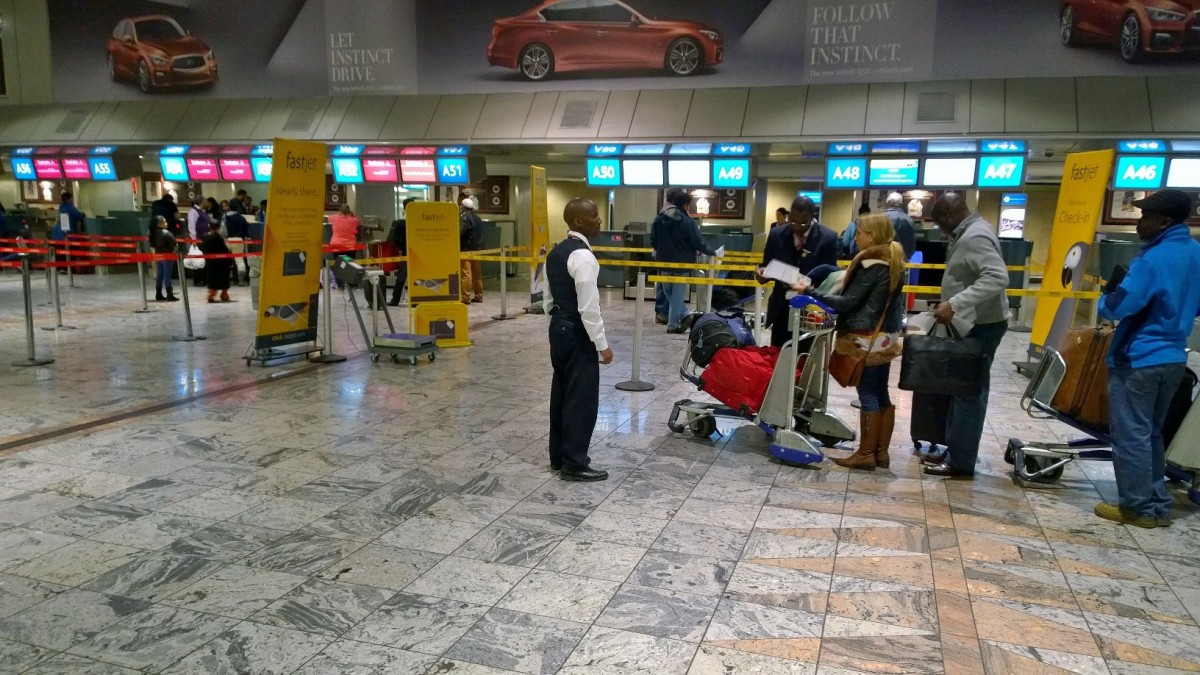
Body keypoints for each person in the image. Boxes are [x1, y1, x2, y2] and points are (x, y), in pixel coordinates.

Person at [1094, 189, 1200, 528]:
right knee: (1151, 433)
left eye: (1146, 217)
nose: (1139, 222)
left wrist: (1105, 300)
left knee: (1130, 435)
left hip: (1139, 357)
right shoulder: (1196, 253)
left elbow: (1121, 306)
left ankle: (1137, 507)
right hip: (1173, 357)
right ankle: (1157, 504)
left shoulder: (1151, 259)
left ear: (1164, 221)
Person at [796, 213, 906, 471]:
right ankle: (880, 452)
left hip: (863, 337)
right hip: (884, 337)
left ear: (873, 235)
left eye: (860, 233)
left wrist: (810, 291)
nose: (855, 238)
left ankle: (866, 453)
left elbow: (848, 302)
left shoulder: (872, 263)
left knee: (867, 392)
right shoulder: (894, 261)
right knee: (880, 391)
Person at [922, 193, 1009, 478]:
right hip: (974, 324)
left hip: (981, 326)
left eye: (938, 222)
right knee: (960, 391)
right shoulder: (971, 231)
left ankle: (961, 462)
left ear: (947, 215)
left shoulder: (975, 236)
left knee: (969, 394)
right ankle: (956, 451)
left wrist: (955, 303)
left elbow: (997, 277)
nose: (939, 229)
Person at [543, 197, 613, 482]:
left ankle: (559, 456)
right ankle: (574, 461)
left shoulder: (557, 251)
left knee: (561, 394)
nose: (599, 219)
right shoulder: (583, 256)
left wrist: (557, 325)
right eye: (595, 214)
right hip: (576, 332)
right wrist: (602, 344)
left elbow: (549, 297)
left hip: (559, 328)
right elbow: (588, 306)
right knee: (581, 399)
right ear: (578, 221)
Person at [756, 195, 840, 347]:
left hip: (812, 311)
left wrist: (805, 284)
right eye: (792, 221)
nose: (796, 226)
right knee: (778, 356)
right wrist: (762, 274)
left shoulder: (828, 238)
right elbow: (766, 265)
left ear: (812, 216)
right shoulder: (776, 234)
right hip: (782, 307)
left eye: (803, 223)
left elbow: (830, 275)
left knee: (806, 359)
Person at [651, 187, 719, 333]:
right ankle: (677, 321)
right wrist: (712, 251)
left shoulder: (659, 218)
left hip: (664, 262)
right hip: (682, 263)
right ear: (685, 205)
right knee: (676, 293)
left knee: (668, 291)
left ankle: (678, 318)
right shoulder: (687, 222)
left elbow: (653, 239)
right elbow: (697, 242)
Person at [387, 198, 416, 306]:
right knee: (410, 278)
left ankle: (395, 300)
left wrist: (402, 247)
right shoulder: (418, 222)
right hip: (413, 253)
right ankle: (415, 299)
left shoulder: (400, 223)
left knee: (401, 278)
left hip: (406, 252)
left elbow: (394, 240)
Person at [199, 221, 235, 303]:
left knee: (212, 282)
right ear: (218, 227)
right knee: (224, 280)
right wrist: (230, 259)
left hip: (210, 263)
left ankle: (211, 296)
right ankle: (224, 295)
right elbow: (224, 250)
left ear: (209, 226)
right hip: (221, 264)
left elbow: (203, 248)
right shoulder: (218, 238)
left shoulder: (205, 237)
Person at [459, 197, 485, 304]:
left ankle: (466, 298)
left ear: (463, 207)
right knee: (477, 274)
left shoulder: (464, 218)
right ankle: (479, 296)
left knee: (466, 274)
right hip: (478, 249)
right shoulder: (478, 218)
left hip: (466, 249)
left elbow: (461, 232)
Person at [149, 216, 179, 302]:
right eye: (164, 222)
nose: (166, 223)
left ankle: (158, 293)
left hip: (158, 255)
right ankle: (169, 293)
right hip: (167, 255)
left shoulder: (153, 233)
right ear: (159, 224)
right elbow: (175, 245)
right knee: (167, 275)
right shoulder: (166, 233)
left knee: (160, 274)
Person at [882, 192, 917, 260]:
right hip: (900, 260)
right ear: (901, 204)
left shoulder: (878, 217)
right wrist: (906, 258)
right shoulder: (907, 219)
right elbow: (910, 243)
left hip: (881, 259)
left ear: (887, 203)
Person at [223, 200, 251, 286]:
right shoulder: (240, 217)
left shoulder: (224, 217)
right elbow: (245, 229)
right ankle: (241, 281)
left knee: (224, 260)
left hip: (226, 239)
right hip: (238, 239)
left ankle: (224, 280)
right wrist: (245, 235)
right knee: (239, 261)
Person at [186, 197, 211, 286]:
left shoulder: (203, 211)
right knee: (198, 260)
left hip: (205, 239)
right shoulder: (193, 211)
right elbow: (191, 226)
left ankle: (204, 279)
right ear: (201, 202)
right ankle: (198, 280)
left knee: (204, 260)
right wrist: (194, 239)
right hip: (198, 239)